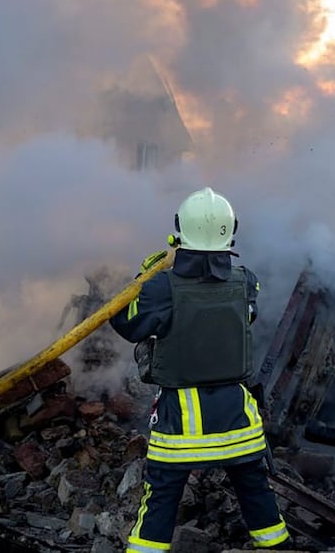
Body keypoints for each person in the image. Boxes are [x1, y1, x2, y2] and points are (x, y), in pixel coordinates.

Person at [110, 187, 290, 552]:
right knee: (257, 495)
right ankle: (278, 548)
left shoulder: (161, 288)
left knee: (160, 502)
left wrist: (141, 281)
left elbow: (127, 322)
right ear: (230, 231)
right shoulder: (246, 280)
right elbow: (245, 318)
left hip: (182, 425)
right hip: (238, 421)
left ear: (179, 229)